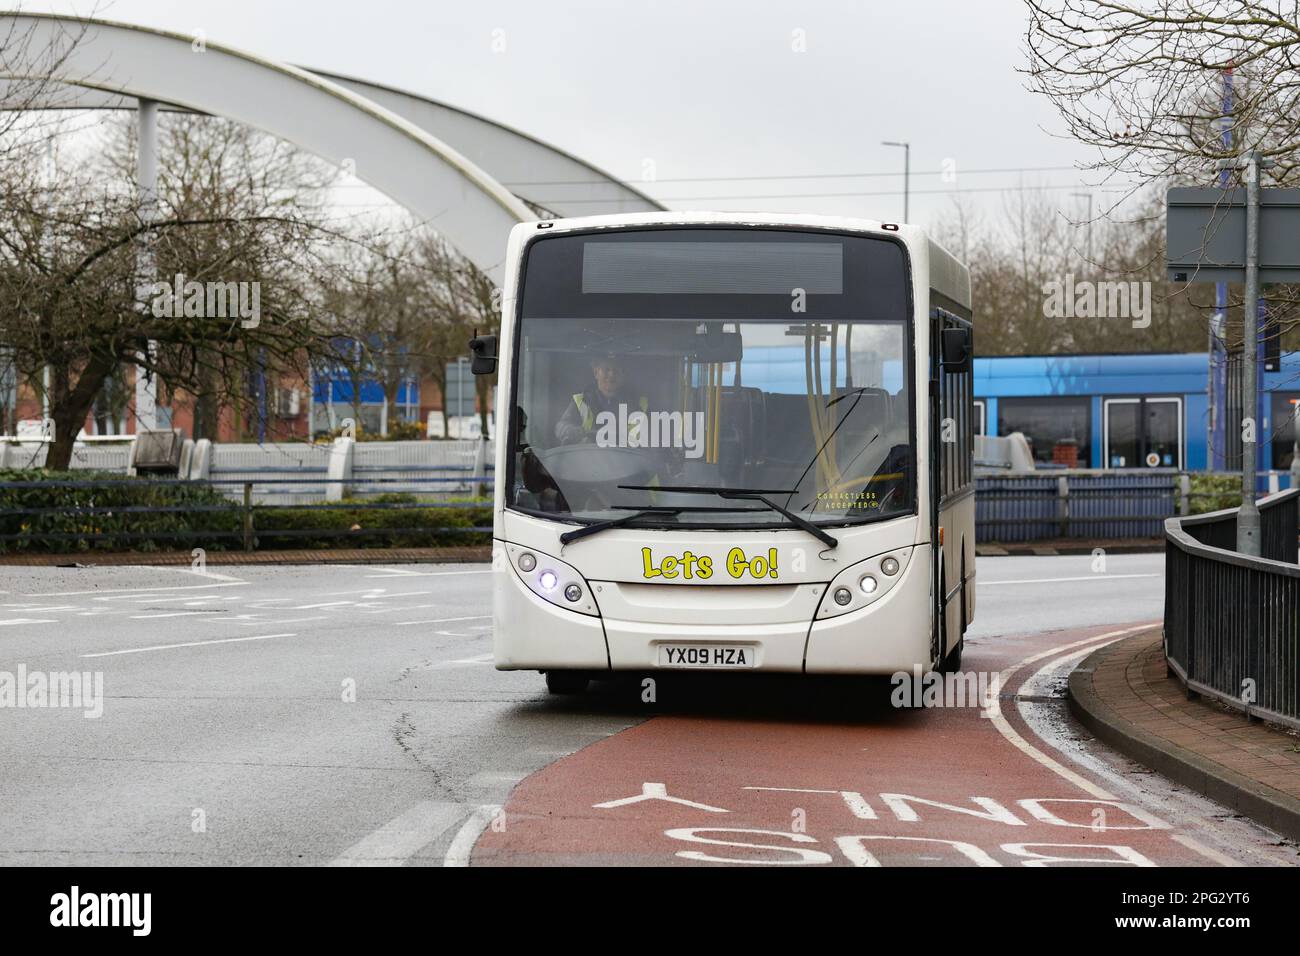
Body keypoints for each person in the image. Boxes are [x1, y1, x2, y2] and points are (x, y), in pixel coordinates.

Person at [554, 353, 649, 445]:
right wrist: (570, 430)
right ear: (596, 373)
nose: (611, 374)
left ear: (623, 374)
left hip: (628, 458)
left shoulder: (639, 403)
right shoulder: (582, 401)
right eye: (606, 369)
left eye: (616, 370)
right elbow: (561, 425)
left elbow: (652, 438)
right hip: (588, 458)